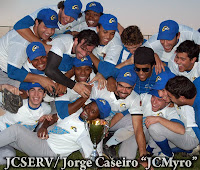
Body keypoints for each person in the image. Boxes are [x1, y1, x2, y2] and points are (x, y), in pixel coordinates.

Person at [0, 98, 111, 158]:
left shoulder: (88, 133)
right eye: (89, 106)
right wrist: (43, 127)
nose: (86, 110)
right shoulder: (77, 112)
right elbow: (53, 118)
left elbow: (95, 157)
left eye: (92, 111)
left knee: (16, 130)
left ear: (98, 117)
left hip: (48, 150)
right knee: (8, 153)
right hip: (41, 137)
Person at [0, 8, 58, 91]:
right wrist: (41, 79)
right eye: (46, 26)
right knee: (35, 90)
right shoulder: (22, 43)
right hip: (5, 73)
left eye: (53, 28)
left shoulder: (35, 33)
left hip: (14, 70)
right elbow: (13, 72)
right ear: (37, 22)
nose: (49, 32)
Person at [0, 82, 51, 164]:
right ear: (27, 93)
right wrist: (3, 87)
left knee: (8, 156)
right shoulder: (16, 102)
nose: (36, 94)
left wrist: (43, 120)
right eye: (32, 90)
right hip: (2, 132)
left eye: (40, 91)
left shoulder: (46, 109)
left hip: (14, 141)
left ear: (44, 94)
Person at [45, 29, 100, 98]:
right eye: (83, 48)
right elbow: (50, 70)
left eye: (89, 51)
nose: (84, 54)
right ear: (76, 41)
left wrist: (100, 74)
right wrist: (74, 85)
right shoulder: (61, 43)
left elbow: (98, 66)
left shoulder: (85, 48)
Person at [13, 0, 83, 52]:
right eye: (67, 14)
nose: (68, 19)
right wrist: (43, 46)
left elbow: (90, 15)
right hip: (21, 42)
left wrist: (68, 32)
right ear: (61, 8)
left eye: (73, 17)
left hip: (47, 39)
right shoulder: (48, 11)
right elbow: (19, 25)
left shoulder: (79, 19)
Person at [165, 76, 200, 144]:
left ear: (182, 98)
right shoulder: (197, 82)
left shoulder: (198, 115)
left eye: (170, 97)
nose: (169, 99)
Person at [89, 14, 123, 79]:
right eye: (105, 32)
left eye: (112, 33)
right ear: (97, 29)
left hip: (116, 74)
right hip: (98, 69)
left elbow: (106, 72)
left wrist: (89, 52)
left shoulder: (116, 44)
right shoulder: (90, 32)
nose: (108, 37)